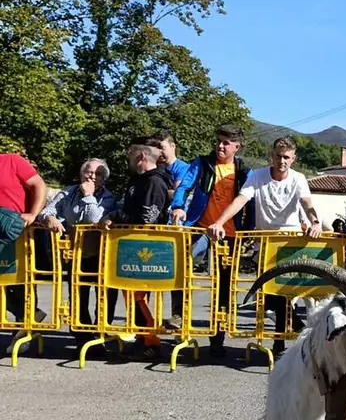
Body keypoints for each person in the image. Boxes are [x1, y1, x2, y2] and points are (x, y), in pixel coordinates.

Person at [208, 136, 321, 357]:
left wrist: (315, 221)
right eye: (278, 156)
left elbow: (307, 203)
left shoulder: (298, 179)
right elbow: (240, 200)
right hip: (265, 244)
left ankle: (281, 345)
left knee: (282, 295)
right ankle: (297, 333)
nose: (282, 161)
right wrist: (220, 222)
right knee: (270, 295)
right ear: (272, 156)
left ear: (293, 159)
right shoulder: (258, 176)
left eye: (287, 157)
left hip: (289, 243)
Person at [170, 125, 251, 357]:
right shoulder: (202, 164)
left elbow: (252, 202)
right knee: (181, 272)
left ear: (237, 146)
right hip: (200, 228)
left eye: (226, 143)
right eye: (218, 141)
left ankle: (217, 339)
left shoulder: (244, 171)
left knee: (223, 288)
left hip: (230, 235)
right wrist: (178, 207)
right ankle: (179, 321)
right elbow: (185, 186)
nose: (220, 146)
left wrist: (249, 230)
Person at [101, 137, 172, 358]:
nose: (127, 157)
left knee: (139, 297)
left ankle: (151, 341)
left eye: (131, 153)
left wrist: (116, 216)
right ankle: (142, 336)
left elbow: (148, 216)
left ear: (140, 156)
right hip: (130, 246)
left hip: (146, 247)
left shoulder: (154, 181)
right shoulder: (136, 180)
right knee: (132, 295)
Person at [39, 158, 117, 349]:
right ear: (81, 173)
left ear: (104, 179)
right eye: (88, 172)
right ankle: (82, 336)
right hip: (75, 252)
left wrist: (88, 196)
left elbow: (95, 219)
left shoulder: (108, 198)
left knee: (105, 294)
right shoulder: (68, 191)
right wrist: (49, 218)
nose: (92, 176)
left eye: (98, 174)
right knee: (77, 294)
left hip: (102, 253)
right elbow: (48, 209)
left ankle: (101, 332)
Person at [0, 153, 49, 354]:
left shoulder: (11, 161)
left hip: (19, 235)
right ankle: (30, 315)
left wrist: (33, 214)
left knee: (21, 285)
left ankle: (23, 332)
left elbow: (39, 185)